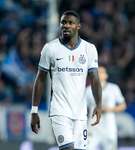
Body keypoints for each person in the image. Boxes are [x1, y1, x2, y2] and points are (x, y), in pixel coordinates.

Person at [30, 10, 102, 150]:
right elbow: (40, 79)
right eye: (63, 22)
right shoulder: (50, 49)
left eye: (70, 23)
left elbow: (94, 80)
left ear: (78, 26)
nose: (66, 26)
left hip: (80, 113)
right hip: (59, 111)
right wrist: (34, 111)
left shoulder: (89, 49)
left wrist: (98, 104)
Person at [86, 66, 127, 150]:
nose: (99, 74)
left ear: (106, 75)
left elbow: (123, 105)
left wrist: (110, 109)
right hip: (93, 128)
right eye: (97, 72)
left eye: (101, 72)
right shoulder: (88, 90)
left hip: (109, 129)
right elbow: (82, 108)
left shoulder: (113, 88)